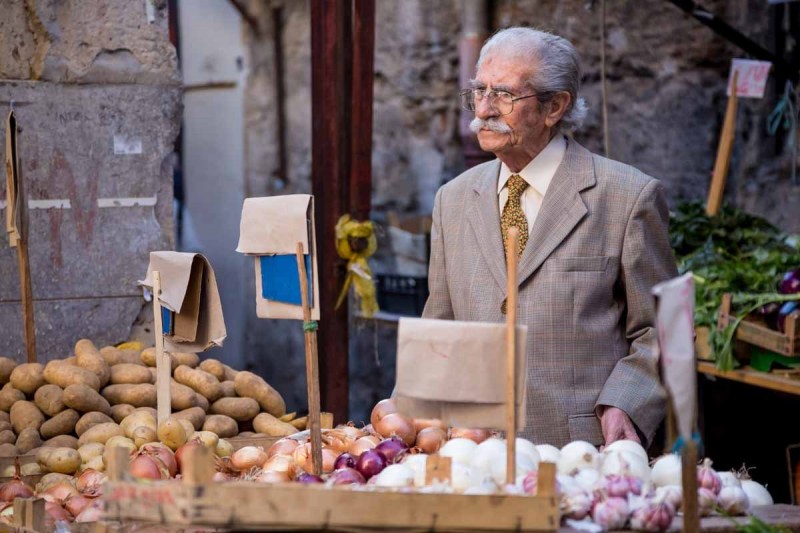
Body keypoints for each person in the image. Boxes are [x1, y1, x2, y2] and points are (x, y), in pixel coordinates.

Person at [423, 27, 678, 447]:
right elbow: (440, 327)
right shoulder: (452, 200)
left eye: (503, 95)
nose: (483, 109)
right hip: (473, 451)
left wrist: (625, 404)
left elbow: (662, 330)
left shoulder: (627, 197)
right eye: (478, 91)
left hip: (578, 451)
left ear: (554, 106)